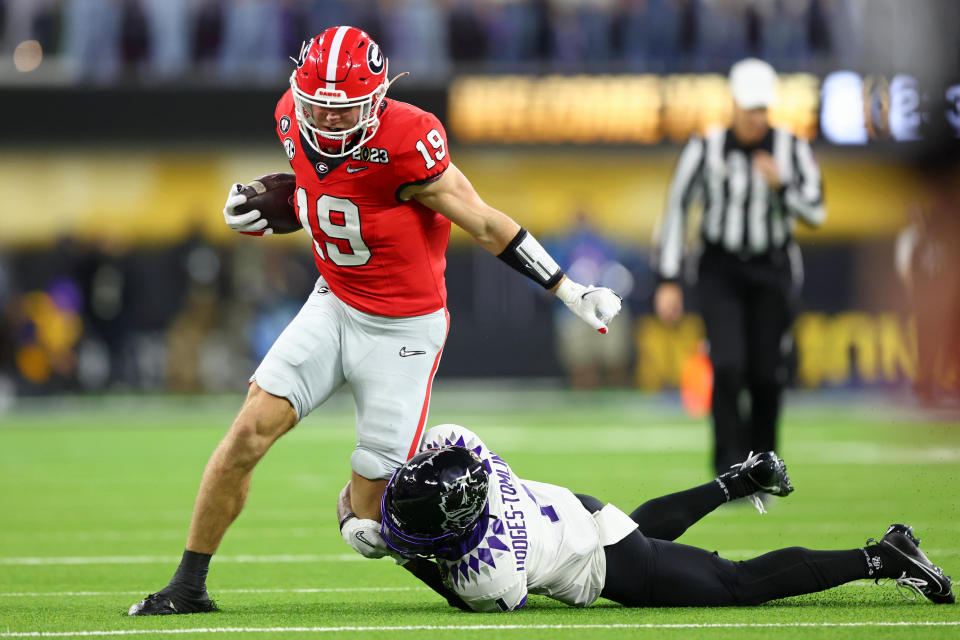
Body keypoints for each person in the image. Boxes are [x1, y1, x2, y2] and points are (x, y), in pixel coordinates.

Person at [128, 26, 622, 616]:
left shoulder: (410, 141)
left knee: (369, 520)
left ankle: (519, 538)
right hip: (334, 304)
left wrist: (567, 288)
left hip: (404, 331)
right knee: (244, 437)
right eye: (319, 108)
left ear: (377, 99)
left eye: (343, 112)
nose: (329, 123)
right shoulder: (291, 117)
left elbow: (485, 223)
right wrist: (275, 206)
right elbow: (326, 200)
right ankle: (188, 586)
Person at [377, 424, 954, 611]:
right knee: (634, 529)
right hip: (584, 513)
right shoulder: (463, 442)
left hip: (603, 561)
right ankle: (741, 480)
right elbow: (432, 452)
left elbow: (461, 594)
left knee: (739, 584)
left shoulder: (491, 575)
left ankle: (883, 556)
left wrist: (400, 552)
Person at [652, 58, 825, 478]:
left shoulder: (792, 148)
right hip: (721, 268)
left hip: (772, 267)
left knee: (767, 373)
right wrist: (669, 278)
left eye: (763, 109)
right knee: (727, 365)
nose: (756, 118)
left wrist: (782, 186)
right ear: (734, 105)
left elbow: (816, 211)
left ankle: (764, 467)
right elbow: (677, 210)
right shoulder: (705, 147)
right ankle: (729, 469)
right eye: (750, 109)